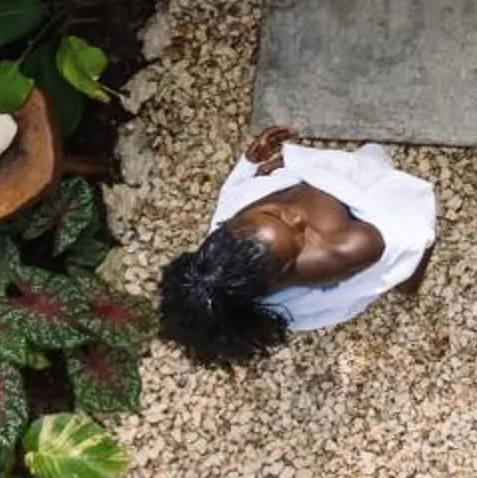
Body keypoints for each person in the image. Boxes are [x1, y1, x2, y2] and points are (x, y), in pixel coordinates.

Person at [158, 124, 437, 367]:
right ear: (284, 273)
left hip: (324, 191)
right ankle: (409, 282)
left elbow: (235, 193)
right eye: (298, 233)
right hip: (370, 200)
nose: (294, 215)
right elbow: (404, 233)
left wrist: (252, 162)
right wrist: (418, 245)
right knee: (416, 246)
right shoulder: (340, 252)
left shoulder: (227, 238)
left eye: (273, 211)